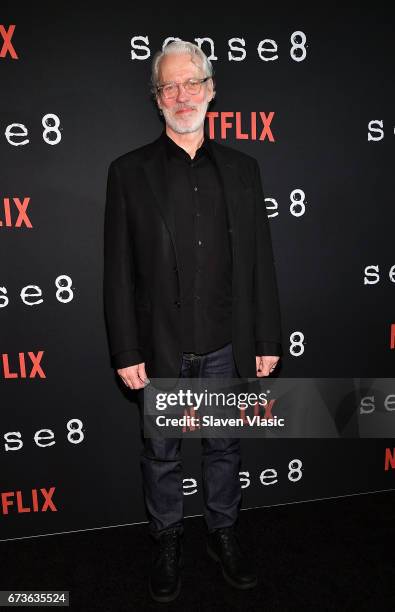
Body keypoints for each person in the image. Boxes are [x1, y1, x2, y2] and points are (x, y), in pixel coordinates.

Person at [103, 39, 282, 603]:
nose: (183, 95)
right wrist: (125, 350)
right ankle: (167, 538)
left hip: (227, 343)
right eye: (169, 86)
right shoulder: (128, 172)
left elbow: (260, 261)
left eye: (192, 82)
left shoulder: (244, 170)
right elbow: (117, 271)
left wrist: (267, 336)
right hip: (158, 345)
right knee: (161, 452)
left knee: (225, 447)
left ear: (211, 90)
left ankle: (223, 532)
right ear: (157, 99)